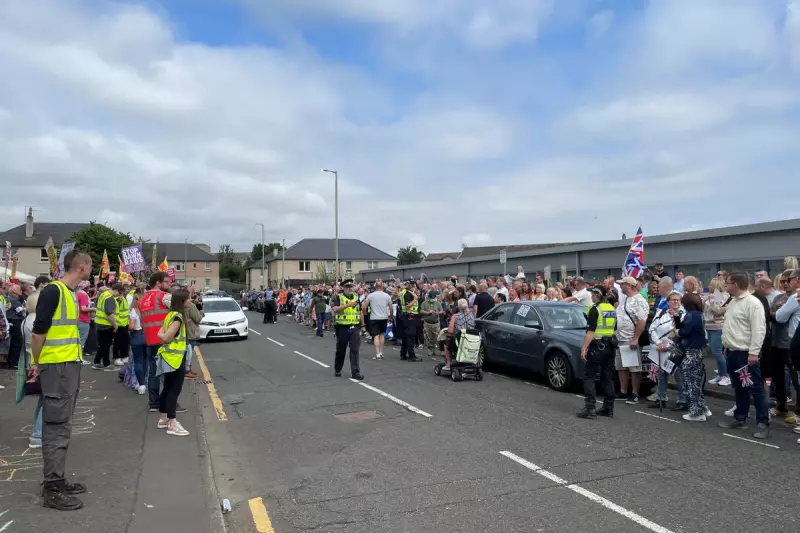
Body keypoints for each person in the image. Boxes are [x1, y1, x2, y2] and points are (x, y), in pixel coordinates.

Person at [30, 249, 92, 510]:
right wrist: (37, 363)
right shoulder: (54, 291)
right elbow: (38, 333)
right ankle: (52, 487)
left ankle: (57, 480)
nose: (91, 269)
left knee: (62, 424)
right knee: (56, 426)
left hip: (66, 367)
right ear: (82, 267)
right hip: (56, 368)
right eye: (90, 265)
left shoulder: (68, 293)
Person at [717, 272, 769, 439]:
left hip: (746, 354)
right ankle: (740, 417)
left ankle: (763, 422)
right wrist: (726, 346)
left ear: (736, 285)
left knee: (755, 388)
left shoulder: (753, 303)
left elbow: (759, 329)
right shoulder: (733, 302)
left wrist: (754, 352)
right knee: (739, 387)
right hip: (732, 352)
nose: (726, 286)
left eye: (728, 283)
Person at [140, 272, 179, 413]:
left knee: (153, 373)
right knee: (170, 373)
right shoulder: (164, 296)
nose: (169, 284)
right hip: (165, 340)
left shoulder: (143, 299)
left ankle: (153, 403)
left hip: (150, 340)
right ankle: (170, 403)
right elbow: (180, 307)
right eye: (167, 282)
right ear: (158, 283)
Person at [155, 288, 192, 437]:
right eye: (189, 299)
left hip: (168, 357)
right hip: (175, 360)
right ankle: (172, 423)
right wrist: (162, 335)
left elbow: (161, 333)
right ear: (182, 302)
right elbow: (166, 337)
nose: (191, 300)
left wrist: (160, 334)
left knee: (167, 388)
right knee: (173, 390)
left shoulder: (171, 314)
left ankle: (163, 418)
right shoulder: (178, 318)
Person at [577, 286, 616, 419]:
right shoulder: (611, 308)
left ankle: (590, 409)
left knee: (589, 376)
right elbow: (614, 328)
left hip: (597, 346)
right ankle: (608, 408)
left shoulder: (595, 309)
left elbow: (590, 331)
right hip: (610, 346)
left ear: (597, 295)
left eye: (592, 294)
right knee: (607, 377)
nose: (591, 296)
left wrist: (584, 348)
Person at [615, 276, 648, 404]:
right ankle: (623, 391)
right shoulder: (625, 299)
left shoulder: (639, 300)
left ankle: (635, 393)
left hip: (630, 338)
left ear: (628, 285)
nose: (621, 286)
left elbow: (641, 321)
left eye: (622, 284)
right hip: (620, 338)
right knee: (621, 366)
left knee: (634, 367)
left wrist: (635, 338)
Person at [22, 290, 43, 448]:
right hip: (38, 360)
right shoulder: (36, 319)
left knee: (43, 399)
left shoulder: (27, 319)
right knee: (47, 399)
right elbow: (38, 339)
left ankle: (38, 431)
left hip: (32, 360)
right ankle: (37, 433)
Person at [331, 280, 364, 379]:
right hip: (342, 327)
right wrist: (347, 305)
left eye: (351, 286)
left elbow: (360, 311)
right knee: (341, 350)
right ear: (343, 288)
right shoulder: (338, 297)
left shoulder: (356, 298)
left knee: (355, 350)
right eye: (347, 287)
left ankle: (355, 372)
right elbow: (335, 309)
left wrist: (363, 325)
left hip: (354, 327)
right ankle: (338, 369)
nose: (349, 288)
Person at [362, 281, 392, 359]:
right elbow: (391, 308)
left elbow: (364, 307)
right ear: (382, 286)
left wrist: (365, 315)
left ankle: (377, 353)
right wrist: (390, 317)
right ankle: (381, 352)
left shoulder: (370, 295)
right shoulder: (387, 296)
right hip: (384, 317)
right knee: (382, 334)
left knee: (376, 335)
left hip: (374, 317)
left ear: (375, 287)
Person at [92, 285, 119, 370]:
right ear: (116, 290)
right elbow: (109, 313)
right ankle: (107, 364)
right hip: (106, 324)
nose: (119, 295)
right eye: (119, 293)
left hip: (100, 323)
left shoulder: (103, 295)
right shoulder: (109, 297)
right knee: (106, 345)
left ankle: (97, 362)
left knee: (104, 345)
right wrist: (115, 325)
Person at [444, 298, 475, 372]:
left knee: (446, 345)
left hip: (460, 341)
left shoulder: (455, 316)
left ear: (458, 306)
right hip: (471, 340)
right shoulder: (472, 315)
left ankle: (448, 364)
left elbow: (450, 331)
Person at [399, 280, 421, 361]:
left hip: (406, 316)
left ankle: (403, 354)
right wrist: (415, 299)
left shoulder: (404, 292)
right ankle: (412, 355)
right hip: (410, 316)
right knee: (410, 335)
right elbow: (408, 306)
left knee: (406, 336)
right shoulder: (408, 293)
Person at [111, 283, 131, 366]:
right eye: (124, 290)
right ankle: (116, 357)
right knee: (117, 342)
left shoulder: (123, 297)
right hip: (118, 323)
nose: (126, 291)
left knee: (125, 341)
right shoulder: (117, 298)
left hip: (124, 323)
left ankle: (124, 356)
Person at [420, 290, 442, 358]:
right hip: (427, 322)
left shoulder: (438, 303)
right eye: (431, 298)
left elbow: (441, 310)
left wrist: (438, 312)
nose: (432, 299)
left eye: (433, 298)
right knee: (428, 336)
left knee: (437, 336)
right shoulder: (424, 303)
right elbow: (421, 311)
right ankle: (430, 349)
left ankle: (436, 348)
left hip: (436, 322)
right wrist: (428, 312)